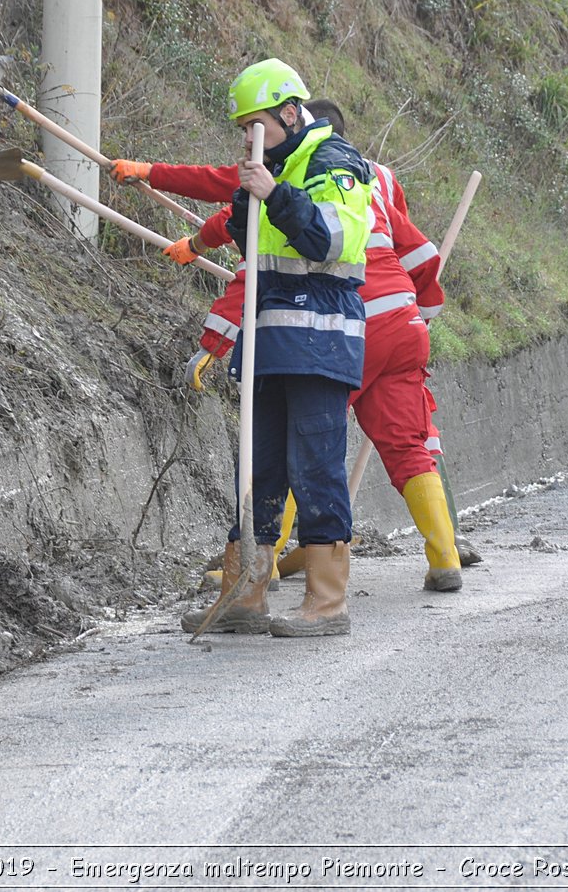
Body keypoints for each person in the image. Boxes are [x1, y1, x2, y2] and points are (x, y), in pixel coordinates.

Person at [114, 100, 472, 595]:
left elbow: (249, 266)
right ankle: (444, 556)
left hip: (339, 327)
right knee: (409, 444)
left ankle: (256, 569)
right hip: (404, 323)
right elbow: (421, 252)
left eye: (253, 127)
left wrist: (213, 340)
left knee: (294, 444)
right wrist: (423, 312)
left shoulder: (298, 177)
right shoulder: (374, 178)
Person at [165, 59, 373, 638]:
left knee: (315, 467)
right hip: (268, 340)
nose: (249, 137)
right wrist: (240, 203)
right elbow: (244, 234)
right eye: (242, 128)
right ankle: (245, 593)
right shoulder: (270, 165)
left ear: (288, 112)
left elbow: (333, 241)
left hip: (320, 339)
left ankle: (327, 604)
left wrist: (275, 192)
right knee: (256, 467)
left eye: (256, 123)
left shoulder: (335, 164)